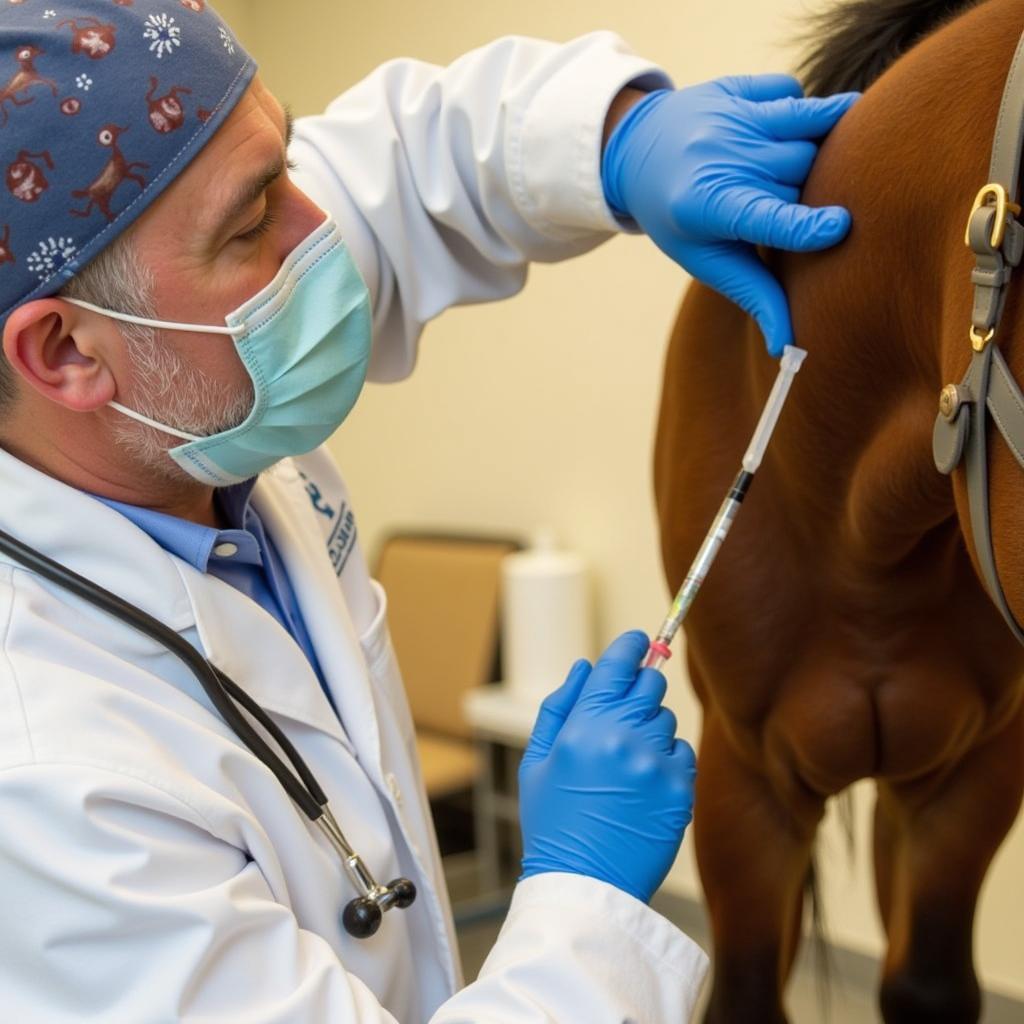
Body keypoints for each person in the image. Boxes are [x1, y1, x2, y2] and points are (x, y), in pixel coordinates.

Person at [0, 3, 856, 1021]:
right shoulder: (48, 783)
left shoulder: (176, 380)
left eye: (287, 164)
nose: (324, 234)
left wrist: (622, 138)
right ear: (64, 354)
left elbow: (416, 162)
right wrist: (581, 900)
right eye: (254, 219)